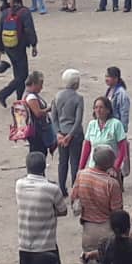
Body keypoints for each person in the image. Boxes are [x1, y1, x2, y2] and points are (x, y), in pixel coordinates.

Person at [71, 145, 124, 264]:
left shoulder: (81, 175)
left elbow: (74, 198)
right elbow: (117, 211)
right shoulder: (111, 183)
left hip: (88, 229)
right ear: (111, 163)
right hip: (108, 229)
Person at [16, 151, 67, 264]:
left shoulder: (19, 185)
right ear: (44, 167)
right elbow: (63, 210)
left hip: (25, 245)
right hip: (46, 245)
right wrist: (49, 212)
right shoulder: (52, 188)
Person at [0, 0, 39, 107]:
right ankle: (4, 94)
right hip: (19, 46)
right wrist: (34, 44)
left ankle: (19, 98)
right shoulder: (25, 12)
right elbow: (29, 30)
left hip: (8, 47)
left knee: (18, 73)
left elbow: (0, 30)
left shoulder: (5, 13)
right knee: (23, 76)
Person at [51, 68, 84, 196]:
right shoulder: (78, 98)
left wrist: (58, 133)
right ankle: (75, 188)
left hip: (61, 133)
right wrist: (70, 135)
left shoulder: (58, 96)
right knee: (75, 162)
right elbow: (78, 120)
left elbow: (54, 117)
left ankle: (62, 188)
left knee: (62, 161)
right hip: (74, 135)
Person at [78, 97, 129, 177]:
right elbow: (86, 149)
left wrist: (115, 168)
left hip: (110, 170)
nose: (98, 110)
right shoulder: (92, 125)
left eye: (101, 107)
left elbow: (122, 150)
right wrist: (81, 169)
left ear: (108, 110)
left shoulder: (116, 124)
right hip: (94, 168)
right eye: (96, 107)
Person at [23, 71, 55, 158]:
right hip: (37, 132)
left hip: (36, 132)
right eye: (40, 84)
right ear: (33, 84)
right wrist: (49, 109)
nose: (41, 87)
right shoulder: (31, 97)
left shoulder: (29, 94)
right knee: (39, 153)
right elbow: (38, 113)